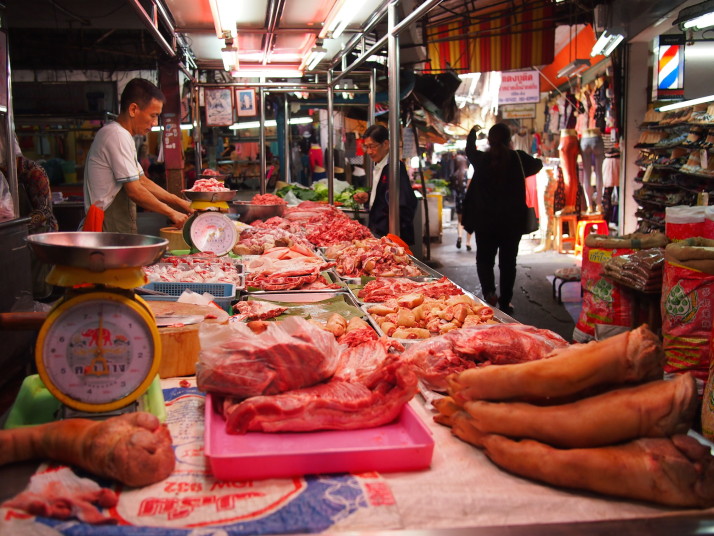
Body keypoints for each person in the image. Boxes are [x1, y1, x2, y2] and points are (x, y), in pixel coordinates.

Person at [83, 78, 193, 233]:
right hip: (107, 225)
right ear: (133, 109)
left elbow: (142, 181)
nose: (155, 123)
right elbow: (134, 190)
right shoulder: (116, 135)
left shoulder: (121, 135)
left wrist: (179, 203)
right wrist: (171, 212)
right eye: (153, 115)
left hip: (115, 224)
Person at [462, 122, 543, 315]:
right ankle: (505, 302)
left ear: (489, 140)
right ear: (509, 140)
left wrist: (473, 132)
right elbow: (538, 164)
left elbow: (469, 150)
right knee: (508, 263)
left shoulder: (481, 159)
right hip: (511, 223)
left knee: (484, 260)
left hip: (485, 223)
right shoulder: (519, 159)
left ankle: (489, 293)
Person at [363, 124, 418, 245]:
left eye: (372, 146)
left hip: (391, 235)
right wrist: (369, 196)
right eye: (366, 147)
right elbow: (385, 195)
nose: (369, 152)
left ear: (386, 144)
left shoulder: (394, 168)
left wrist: (395, 237)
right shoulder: (381, 165)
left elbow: (404, 203)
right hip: (380, 231)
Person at [451, 150, 472, 251]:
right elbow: (470, 186)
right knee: (469, 221)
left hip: (458, 200)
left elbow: (453, 189)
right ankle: (468, 242)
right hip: (468, 200)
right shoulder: (468, 173)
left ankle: (459, 236)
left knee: (460, 221)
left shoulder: (454, 175)